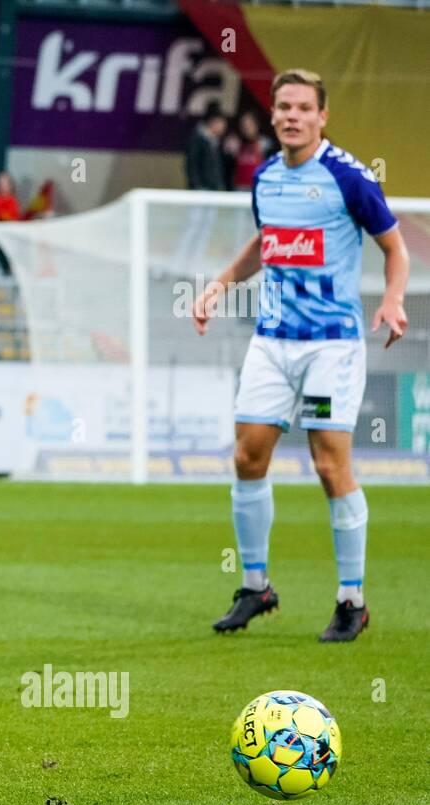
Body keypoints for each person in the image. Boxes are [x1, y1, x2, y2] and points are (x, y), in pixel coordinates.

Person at [192, 69, 409, 642]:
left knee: (329, 466)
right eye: (282, 106)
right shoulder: (265, 178)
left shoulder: (348, 177)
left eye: (302, 108)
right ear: (273, 114)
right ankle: (257, 587)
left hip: (329, 345)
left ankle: (352, 600)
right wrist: (220, 283)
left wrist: (391, 298)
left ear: (322, 117)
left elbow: (395, 247)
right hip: (272, 340)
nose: (291, 116)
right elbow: (267, 243)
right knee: (247, 456)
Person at [227, 112, 274, 192]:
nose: (247, 128)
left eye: (250, 125)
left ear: (256, 125)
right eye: (244, 126)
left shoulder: (264, 143)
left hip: (258, 187)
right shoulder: (236, 143)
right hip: (239, 187)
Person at [185, 105, 229, 191]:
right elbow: (191, 164)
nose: (224, 127)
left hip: (213, 188)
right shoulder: (197, 139)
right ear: (213, 122)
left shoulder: (216, 141)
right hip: (201, 190)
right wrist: (197, 186)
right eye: (222, 123)